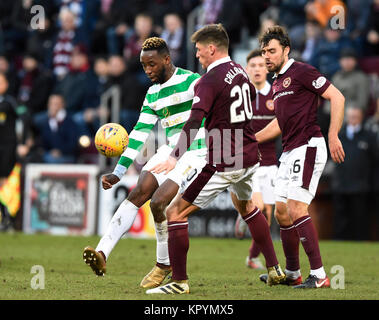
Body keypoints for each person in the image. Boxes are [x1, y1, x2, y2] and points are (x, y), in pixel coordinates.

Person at [147, 24, 286, 295]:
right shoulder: (240, 73)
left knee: (174, 212)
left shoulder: (210, 80)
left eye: (199, 51)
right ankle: (274, 269)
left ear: (211, 48)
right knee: (246, 208)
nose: (197, 56)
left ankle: (179, 282)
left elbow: (194, 120)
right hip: (250, 158)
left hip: (225, 160)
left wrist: (176, 157)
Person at [82, 37, 207, 290]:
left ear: (167, 60)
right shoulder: (152, 93)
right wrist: (118, 170)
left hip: (197, 151)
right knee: (139, 191)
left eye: (152, 64)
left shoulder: (192, 81)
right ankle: (102, 253)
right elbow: (139, 133)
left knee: (160, 201)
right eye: (143, 66)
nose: (148, 70)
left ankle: (163, 265)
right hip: (170, 150)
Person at [257, 25, 345, 288]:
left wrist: (333, 136)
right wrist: (252, 138)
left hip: (308, 146)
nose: (267, 56)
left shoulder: (303, 71)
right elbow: (280, 123)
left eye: (272, 51)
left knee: (296, 208)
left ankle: (319, 275)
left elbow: (337, 97)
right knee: (282, 213)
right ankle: (293, 273)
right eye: (264, 52)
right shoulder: (276, 82)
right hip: (289, 150)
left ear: (286, 50)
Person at [234, 49, 278, 270]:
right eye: (253, 66)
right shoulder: (239, 95)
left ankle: (252, 258)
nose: (258, 69)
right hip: (248, 161)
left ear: (267, 68)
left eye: (261, 65)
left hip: (271, 162)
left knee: (269, 216)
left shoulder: (276, 95)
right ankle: (245, 211)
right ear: (246, 69)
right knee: (259, 207)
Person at [331, 107, 376, 240]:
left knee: (360, 221)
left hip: (361, 187)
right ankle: (339, 245)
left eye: (356, 117)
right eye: (351, 117)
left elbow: (374, 160)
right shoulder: (339, 135)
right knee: (340, 221)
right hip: (341, 185)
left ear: (361, 117)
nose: (353, 120)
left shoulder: (369, 136)